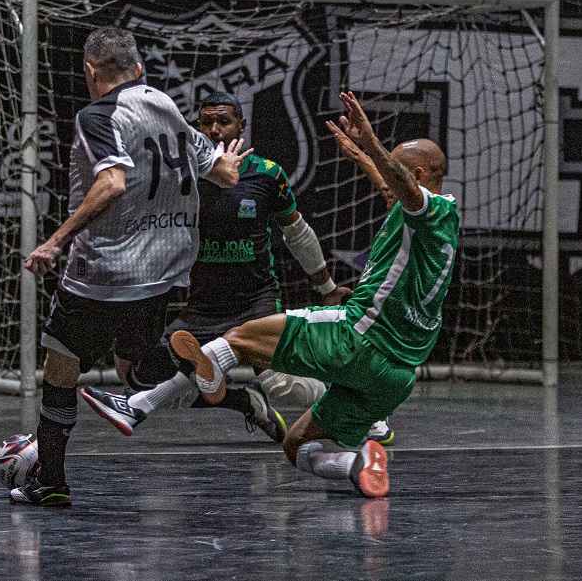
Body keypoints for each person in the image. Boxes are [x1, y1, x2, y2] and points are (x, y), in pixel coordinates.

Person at [170, 91, 460, 498]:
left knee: (239, 338)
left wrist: (371, 142)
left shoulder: (429, 209)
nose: (387, 178)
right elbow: (395, 191)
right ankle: (357, 464)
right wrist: (364, 159)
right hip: (396, 375)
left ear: (417, 173)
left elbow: (404, 190)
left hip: (359, 337)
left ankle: (180, 390)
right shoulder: (438, 220)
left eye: (394, 170)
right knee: (298, 447)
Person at [9, 27, 251, 507]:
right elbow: (225, 174)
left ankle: (51, 481)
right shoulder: (165, 104)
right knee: (131, 369)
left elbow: (112, 183)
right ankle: (215, 384)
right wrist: (226, 159)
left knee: (60, 366)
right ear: (139, 69)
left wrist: (54, 242)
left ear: (90, 71)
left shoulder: (97, 115)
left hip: (104, 271)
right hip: (163, 271)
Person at [80, 92, 351, 443]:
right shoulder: (182, 177)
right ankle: (244, 401)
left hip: (255, 301)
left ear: (242, 125)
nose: (215, 129)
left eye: (223, 121)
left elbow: (297, 233)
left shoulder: (268, 174)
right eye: (206, 122)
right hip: (203, 307)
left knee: (283, 385)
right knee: (138, 377)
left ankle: (359, 404)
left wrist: (327, 287)